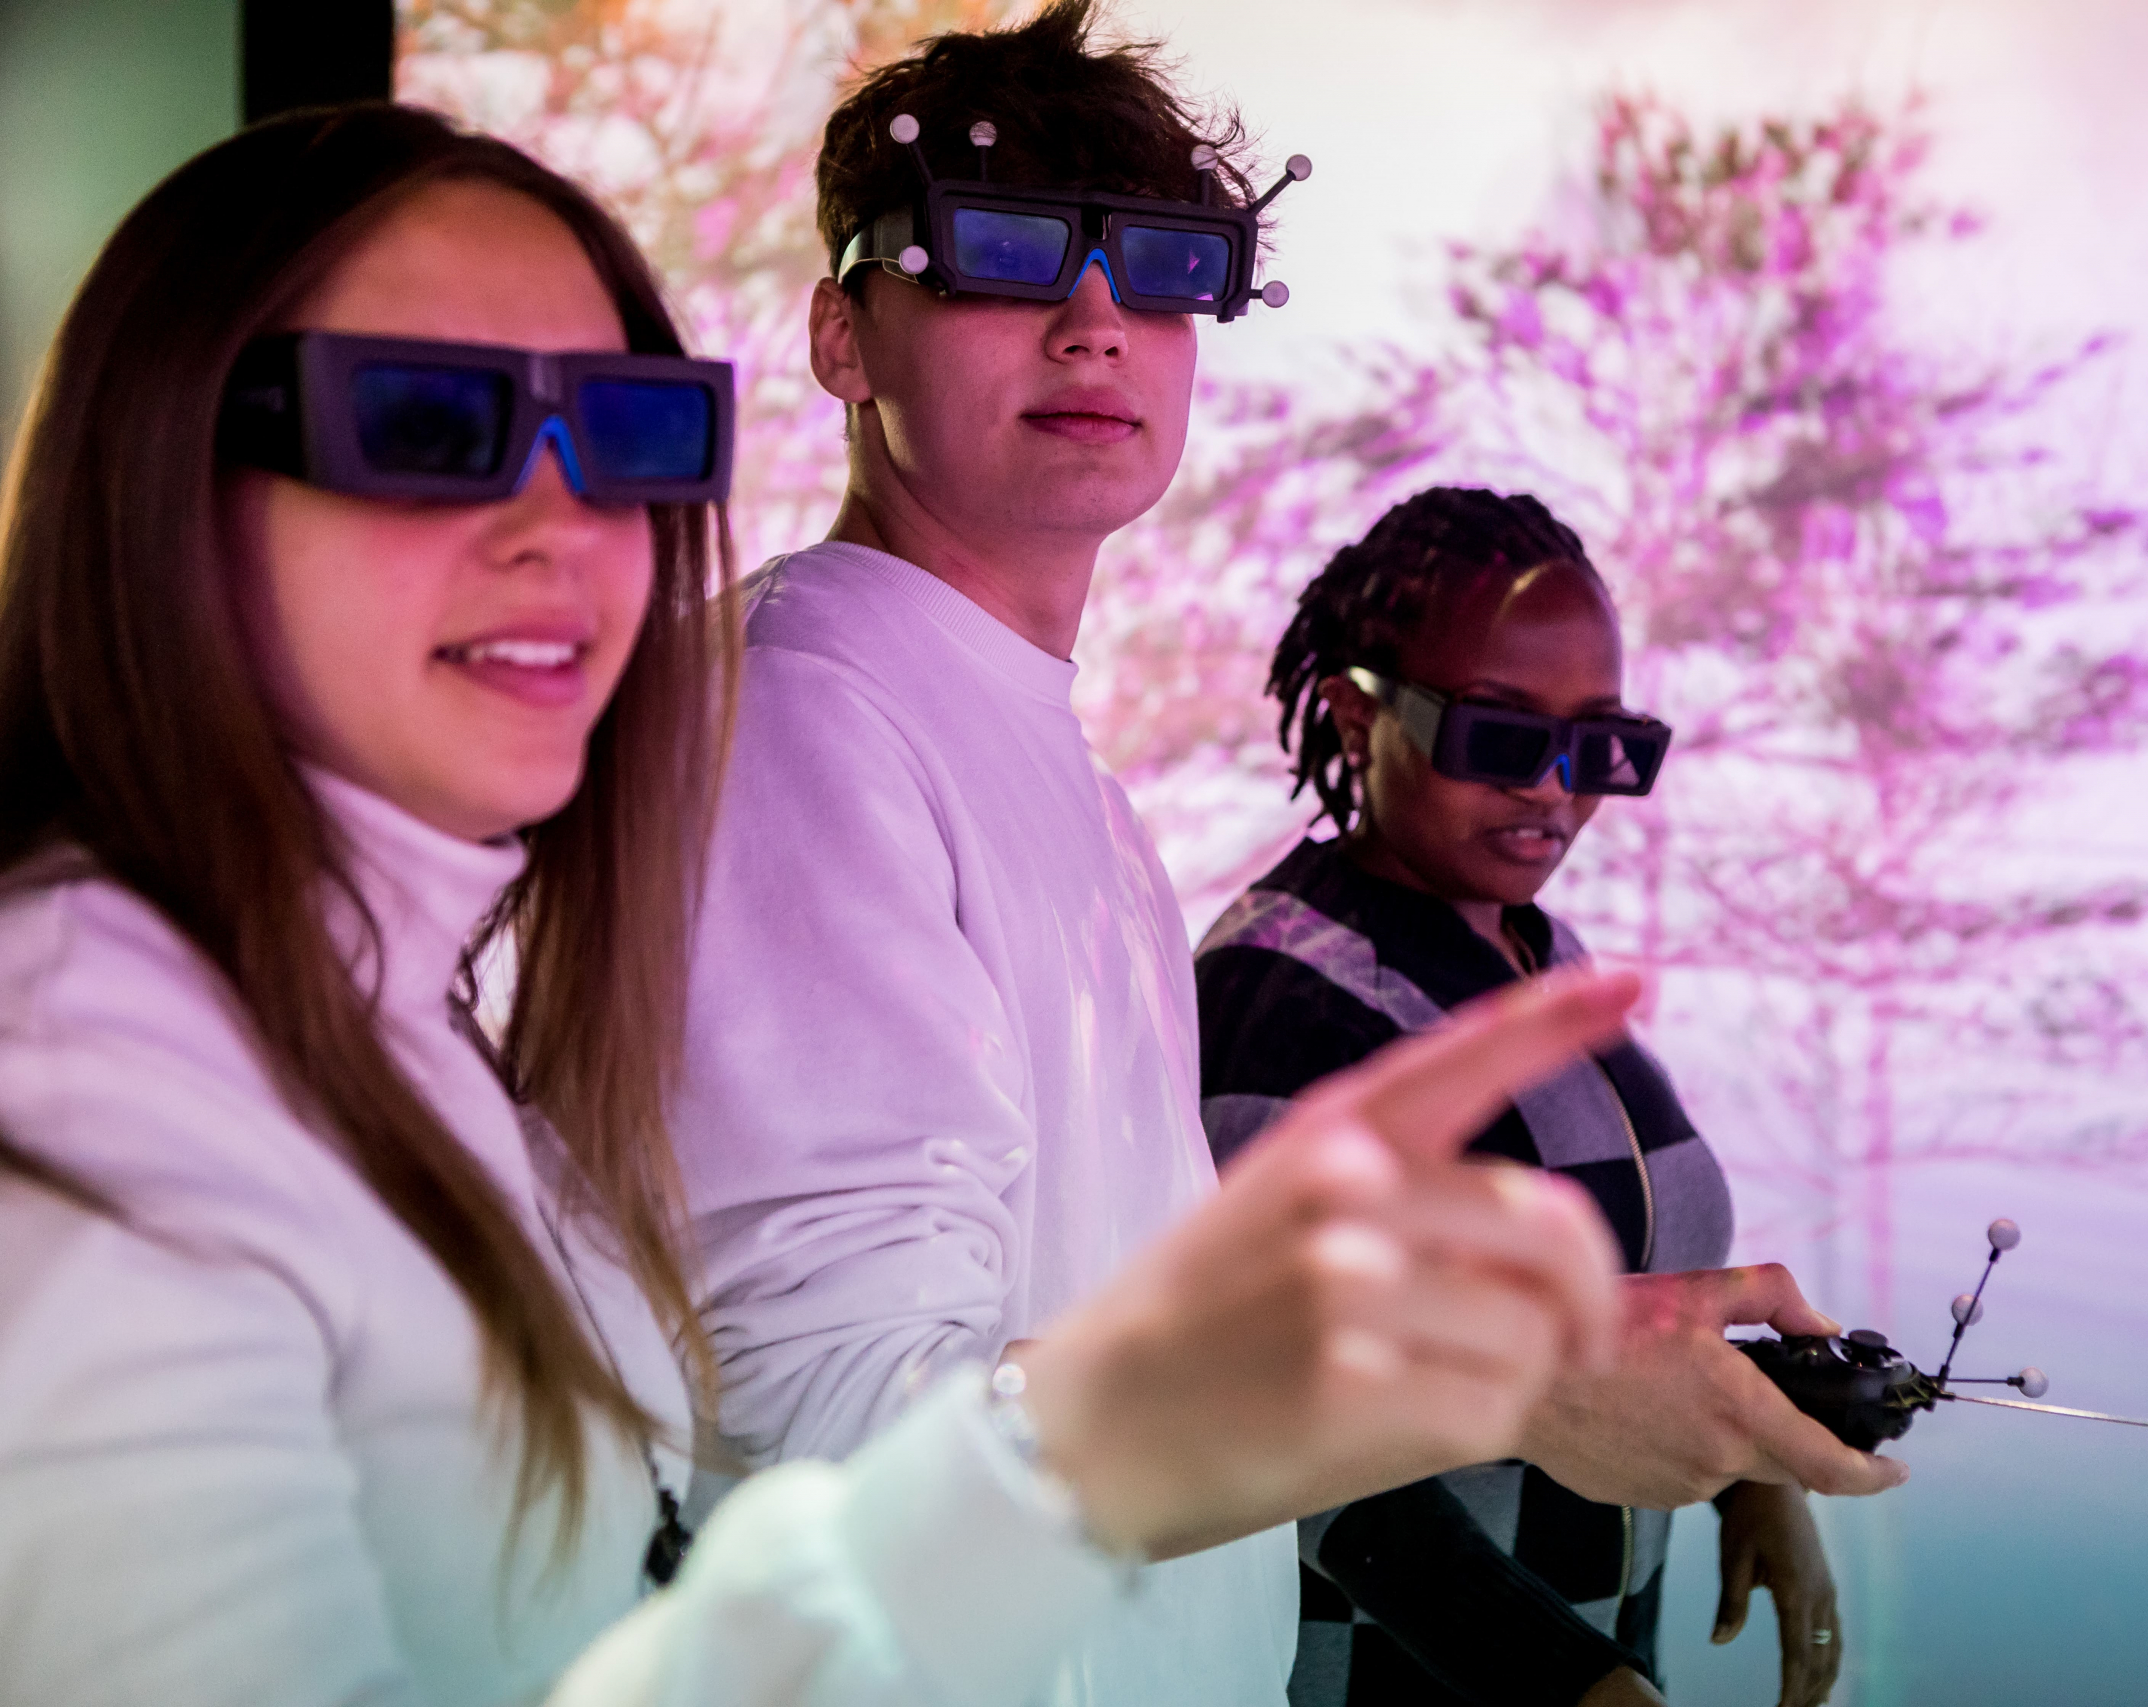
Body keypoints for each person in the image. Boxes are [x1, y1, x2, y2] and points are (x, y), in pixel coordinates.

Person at [0, 106, 1645, 1707]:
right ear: (162, 471)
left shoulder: (367, 1010)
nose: (558, 519)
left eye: (629, 432)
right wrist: (1242, 1410)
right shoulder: (77, 1062)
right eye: (420, 422)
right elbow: (819, 1409)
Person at [670, 9, 1901, 1707]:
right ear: (843, 334)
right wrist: (1516, 1387)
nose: (1096, 322)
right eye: (1008, 252)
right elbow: (839, 1419)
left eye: (1163, 267)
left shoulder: (1038, 761)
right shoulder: (808, 719)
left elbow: (1137, 1331)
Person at [1196, 488, 1847, 1707]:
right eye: (1499, 738)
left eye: (1601, 745)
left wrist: (1763, 1472)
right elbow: (1290, 1438)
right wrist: (1575, 1683)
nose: (1555, 790)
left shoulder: (1533, 951)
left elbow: (1633, 1298)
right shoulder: (1285, 999)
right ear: (1351, 711)